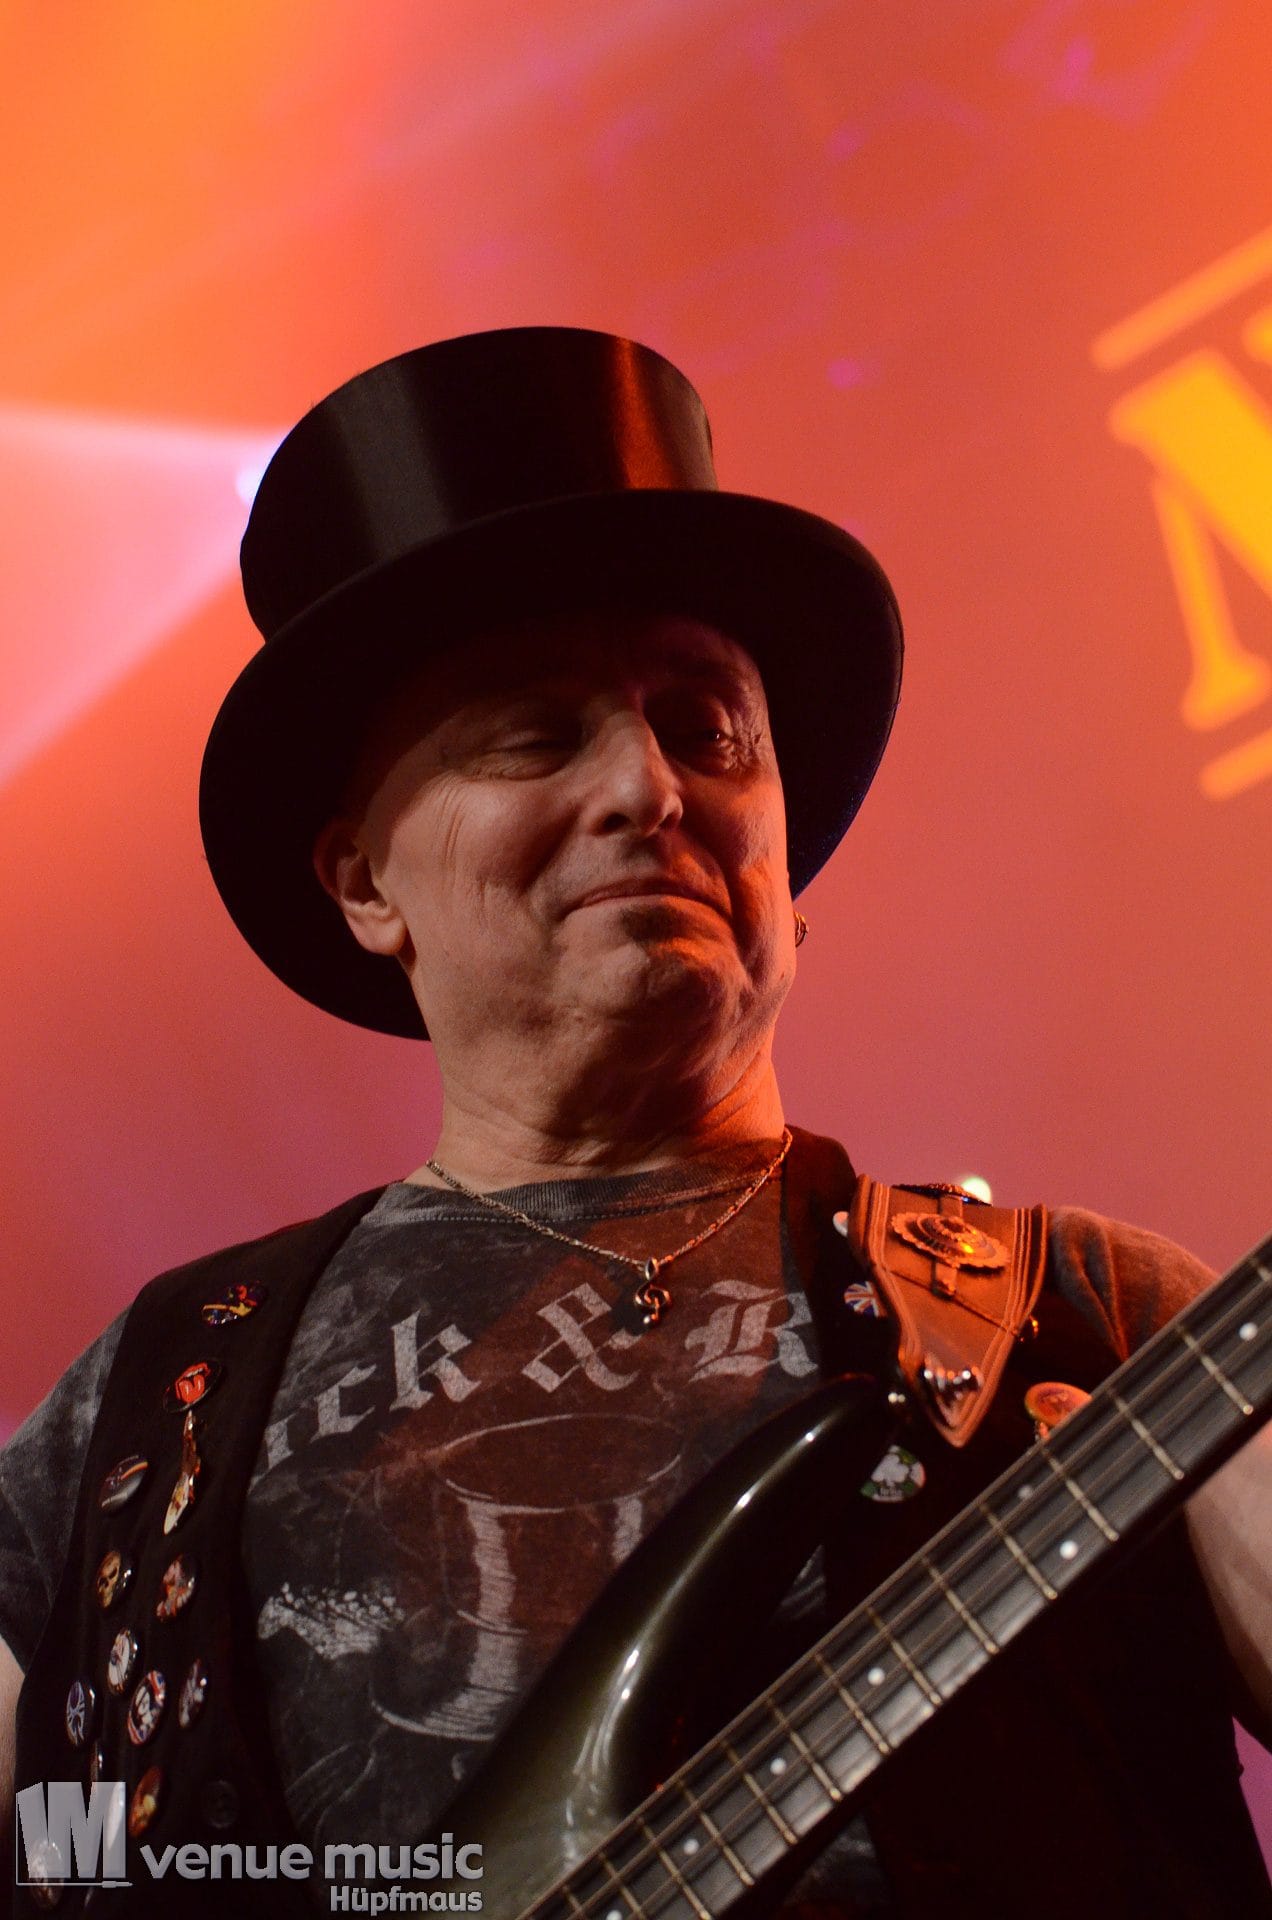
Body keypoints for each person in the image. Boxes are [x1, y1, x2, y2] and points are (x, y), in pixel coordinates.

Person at [1, 327, 1269, 1918]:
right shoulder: (151, 1415)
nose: (650, 789)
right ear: (365, 884)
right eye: (537, 736)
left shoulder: (1085, 1319)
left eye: (707, 728)